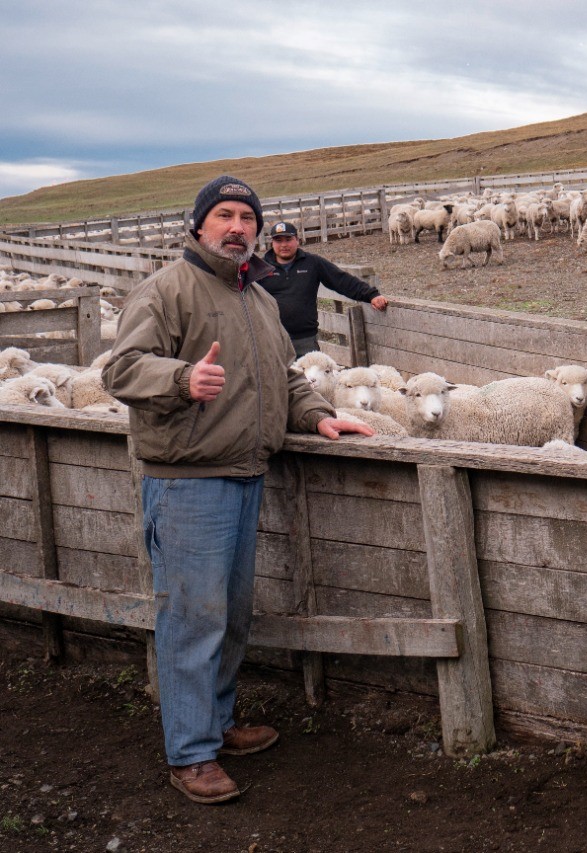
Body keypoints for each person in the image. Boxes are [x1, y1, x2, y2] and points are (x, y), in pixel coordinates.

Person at [103, 176, 374, 805]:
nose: (237, 226)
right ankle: (190, 753)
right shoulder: (167, 289)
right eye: (223, 215)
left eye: (247, 217)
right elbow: (121, 368)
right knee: (192, 617)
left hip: (246, 472)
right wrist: (180, 379)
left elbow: (280, 375)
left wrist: (316, 415)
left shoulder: (257, 297)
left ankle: (216, 726)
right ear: (199, 225)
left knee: (229, 616)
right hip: (189, 480)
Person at [261, 220, 388, 358]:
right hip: (272, 340)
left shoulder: (312, 263)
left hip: (305, 340)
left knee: (311, 378)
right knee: (274, 379)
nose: (284, 245)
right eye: (278, 240)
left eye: (288, 239)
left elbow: (341, 280)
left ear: (297, 240)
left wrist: (371, 295)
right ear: (272, 243)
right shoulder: (260, 268)